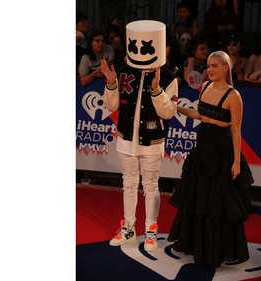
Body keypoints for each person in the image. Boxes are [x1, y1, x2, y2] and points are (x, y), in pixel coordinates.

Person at [167, 50, 254, 269]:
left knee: (218, 204)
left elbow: (236, 131)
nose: (210, 69)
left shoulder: (234, 96)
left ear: (226, 67)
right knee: (198, 199)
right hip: (202, 148)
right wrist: (175, 107)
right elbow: (200, 115)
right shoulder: (204, 87)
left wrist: (236, 162)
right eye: (208, 65)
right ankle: (198, 245)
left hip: (222, 154)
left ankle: (220, 249)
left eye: (215, 65)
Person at [100, 20, 178, 252]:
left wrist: (156, 89)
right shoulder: (123, 72)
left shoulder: (168, 76)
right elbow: (112, 106)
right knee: (129, 185)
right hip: (125, 139)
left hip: (152, 141)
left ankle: (151, 230)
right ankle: (129, 228)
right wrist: (111, 83)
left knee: (151, 186)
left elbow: (169, 112)